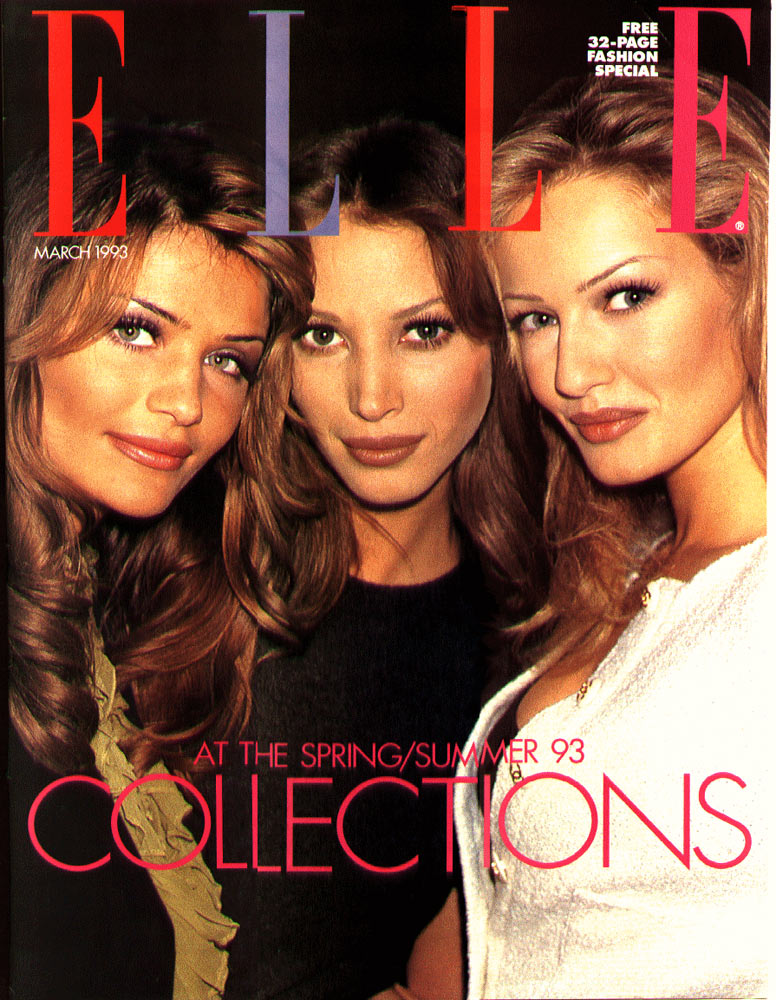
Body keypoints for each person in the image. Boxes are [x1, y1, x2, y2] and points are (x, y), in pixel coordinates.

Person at [204, 118, 546, 1000]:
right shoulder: (199, 575)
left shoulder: (536, 637)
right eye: (323, 336)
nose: (370, 398)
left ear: (501, 341)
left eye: (423, 331)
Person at [452, 72, 768, 999]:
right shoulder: (629, 568)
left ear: (746, 273)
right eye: (535, 320)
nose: (570, 372)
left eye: (625, 296)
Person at [6, 124, 312, 1000]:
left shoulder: (97, 598)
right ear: (26, 315)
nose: (187, 402)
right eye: (138, 330)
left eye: (227, 362)